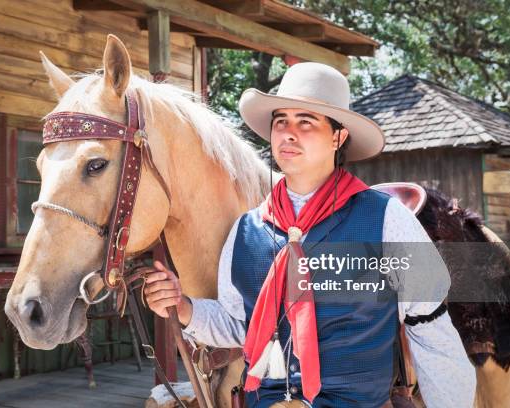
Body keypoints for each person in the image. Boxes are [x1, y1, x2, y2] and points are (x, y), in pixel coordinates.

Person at [143, 62, 476, 407]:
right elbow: (237, 325)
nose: (289, 132)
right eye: (281, 121)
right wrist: (181, 306)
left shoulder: (387, 220)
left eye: (306, 122)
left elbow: (433, 336)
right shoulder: (246, 231)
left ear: (338, 136)